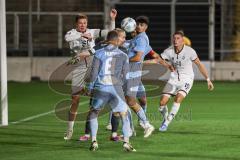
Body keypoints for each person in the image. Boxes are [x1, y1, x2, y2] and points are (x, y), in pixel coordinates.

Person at [63, 9, 117, 140]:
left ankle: (110, 122)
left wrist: (112, 20)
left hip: (94, 65)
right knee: (75, 99)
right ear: (76, 24)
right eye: (80, 23)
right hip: (79, 67)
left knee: (101, 93)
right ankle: (69, 129)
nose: (83, 25)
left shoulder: (92, 31)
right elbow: (67, 38)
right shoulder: (72, 33)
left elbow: (111, 33)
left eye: (85, 23)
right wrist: (83, 36)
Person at [88, 30, 136, 152]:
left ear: (108, 39)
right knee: (124, 114)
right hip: (116, 89)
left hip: (101, 87)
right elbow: (126, 76)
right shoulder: (123, 55)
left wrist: (90, 88)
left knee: (94, 113)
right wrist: (128, 91)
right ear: (116, 40)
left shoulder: (98, 53)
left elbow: (94, 73)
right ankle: (126, 142)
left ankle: (94, 141)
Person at [158, 30, 214, 132]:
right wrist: (166, 64)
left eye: (178, 38)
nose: (175, 40)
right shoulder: (169, 51)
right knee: (162, 103)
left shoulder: (190, 51)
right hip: (173, 79)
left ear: (182, 40)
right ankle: (165, 118)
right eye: (174, 38)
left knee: (178, 98)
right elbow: (159, 59)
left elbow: (199, 64)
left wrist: (208, 79)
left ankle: (166, 123)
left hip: (187, 79)